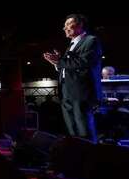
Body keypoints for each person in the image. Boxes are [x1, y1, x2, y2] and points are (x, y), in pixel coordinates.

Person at [43, 14, 103, 142]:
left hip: (81, 91)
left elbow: (84, 62)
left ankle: (90, 152)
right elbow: (68, 66)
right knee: (72, 128)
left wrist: (59, 61)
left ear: (80, 25)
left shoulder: (90, 40)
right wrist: (56, 63)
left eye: (68, 24)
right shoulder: (72, 44)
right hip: (67, 90)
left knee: (83, 127)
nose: (64, 28)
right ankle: (77, 151)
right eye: (64, 25)